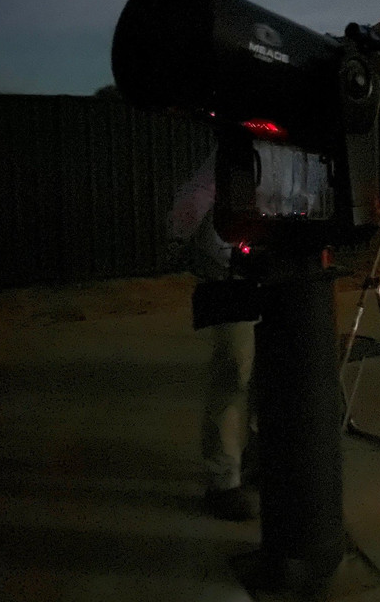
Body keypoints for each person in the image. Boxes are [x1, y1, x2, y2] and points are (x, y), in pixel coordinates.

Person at [169, 150, 260, 521]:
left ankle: (254, 455)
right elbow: (191, 202)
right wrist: (190, 244)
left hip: (277, 272)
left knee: (265, 372)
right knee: (234, 371)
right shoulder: (238, 152)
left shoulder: (301, 155)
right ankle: (223, 481)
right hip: (231, 272)